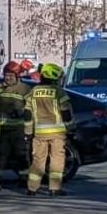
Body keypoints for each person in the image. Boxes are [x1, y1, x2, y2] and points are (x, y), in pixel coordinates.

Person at [23, 61, 73, 196]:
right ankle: (54, 188)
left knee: (38, 160)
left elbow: (27, 114)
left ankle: (32, 188)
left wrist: (28, 132)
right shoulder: (58, 91)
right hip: (57, 132)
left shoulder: (33, 91)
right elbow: (66, 112)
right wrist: (70, 127)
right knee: (57, 159)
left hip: (39, 133)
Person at [0, 61, 31, 185]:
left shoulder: (24, 88)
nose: (8, 78)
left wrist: (21, 112)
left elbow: (31, 106)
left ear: (17, 76)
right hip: (4, 127)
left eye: (10, 75)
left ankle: (24, 178)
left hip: (18, 128)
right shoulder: (0, 88)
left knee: (20, 154)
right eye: (6, 75)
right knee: (1, 155)